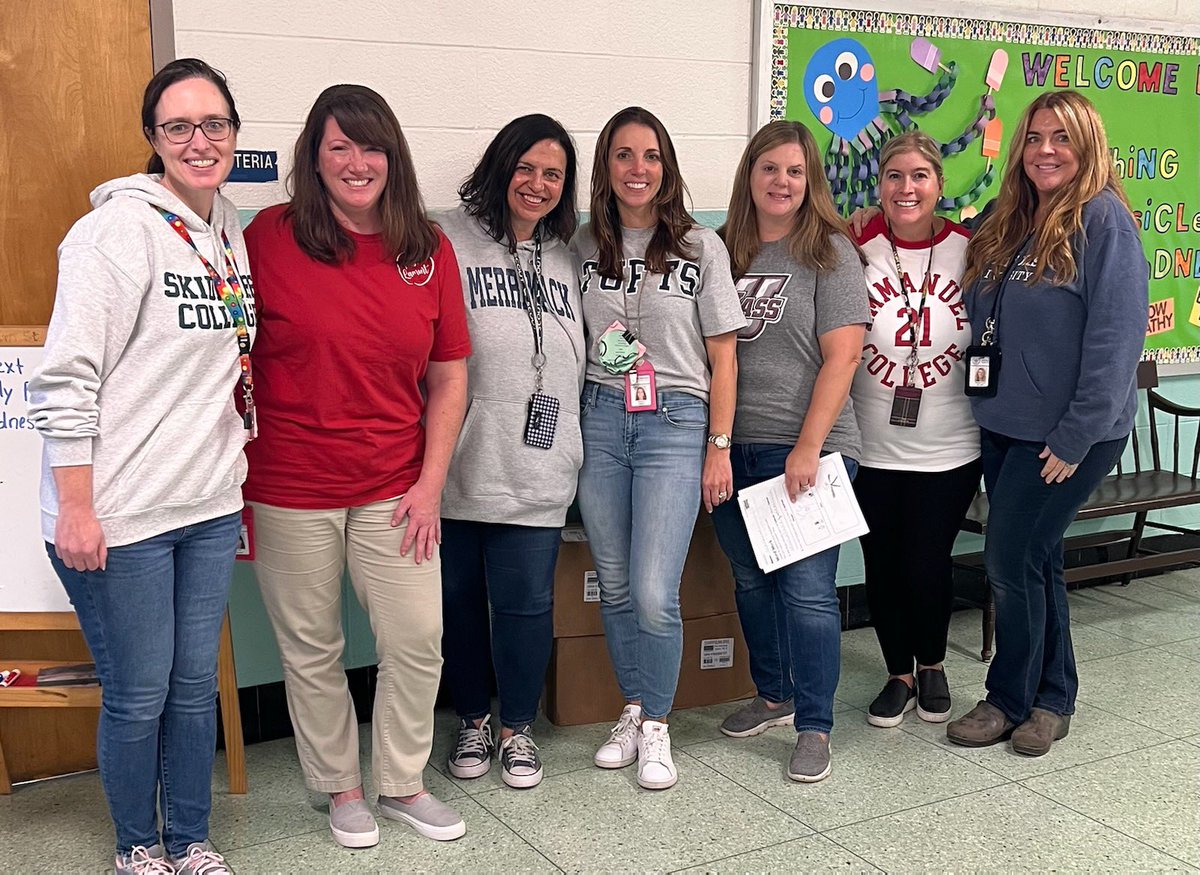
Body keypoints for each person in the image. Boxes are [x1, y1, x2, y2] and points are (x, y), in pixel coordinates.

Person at [28, 58, 250, 875]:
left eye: (214, 124)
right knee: (139, 692)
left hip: (207, 503)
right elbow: (65, 378)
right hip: (121, 516)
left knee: (193, 688)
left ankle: (189, 839)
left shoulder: (228, 228)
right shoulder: (113, 233)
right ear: (153, 137)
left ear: (234, 132)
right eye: (178, 127)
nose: (199, 141)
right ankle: (137, 847)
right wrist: (76, 506)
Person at [242, 85, 471, 846]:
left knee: (417, 638)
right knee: (312, 649)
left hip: (396, 486)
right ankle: (341, 789)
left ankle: (402, 782)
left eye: (370, 146)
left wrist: (431, 484)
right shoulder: (268, 237)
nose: (356, 162)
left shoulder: (427, 248)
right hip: (289, 485)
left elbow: (449, 376)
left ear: (392, 156)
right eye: (338, 146)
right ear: (314, 157)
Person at [946, 90, 1148, 756]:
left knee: (1008, 557)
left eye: (1061, 137)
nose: (1045, 150)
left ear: (1087, 145)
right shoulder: (1010, 217)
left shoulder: (1105, 221)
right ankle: (1053, 697)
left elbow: (1116, 341)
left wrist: (1074, 435)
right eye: (1034, 137)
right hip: (1004, 423)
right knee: (1036, 557)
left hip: (1068, 434)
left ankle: (1009, 698)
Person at [571, 106, 746, 790]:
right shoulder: (583, 245)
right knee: (615, 585)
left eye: (650, 156)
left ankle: (658, 724)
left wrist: (718, 446)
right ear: (606, 167)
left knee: (652, 591)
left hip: (674, 421)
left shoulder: (702, 247)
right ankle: (633, 706)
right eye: (623, 155)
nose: (637, 169)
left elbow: (724, 358)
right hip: (600, 417)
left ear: (667, 167)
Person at [710, 120, 868, 783]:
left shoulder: (830, 252)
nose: (781, 181)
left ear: (811, 182)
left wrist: (807, 447)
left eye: (795, 171)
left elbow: (844, 357)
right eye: (769, 167)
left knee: (806, 593)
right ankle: (773, 694)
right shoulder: (721, 251)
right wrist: (714, 444)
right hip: (732, 447)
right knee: (751, 580)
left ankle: (814, 724)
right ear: (749, 174)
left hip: (810, 450)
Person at [435, 114, 585, 789]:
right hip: (460, 463)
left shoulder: (567, 254)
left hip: (540, 465)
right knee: (460, 603)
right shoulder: (447, 239)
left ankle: (516, 727)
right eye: (525, 168)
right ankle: (472, 718)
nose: (537, 184)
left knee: (526, 605)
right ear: (500, 167)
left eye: (552, 174)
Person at [848, 131, 982, 729]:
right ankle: (897, 673)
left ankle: (932, 663)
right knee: (881, 561)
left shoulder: (971, 249)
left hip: (951, 444)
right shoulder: (855, 244)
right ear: (879, 185)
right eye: (894, 176)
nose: (907, 188)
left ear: (939, 184)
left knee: (927, 560)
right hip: (870, 442)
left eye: (919, 175)